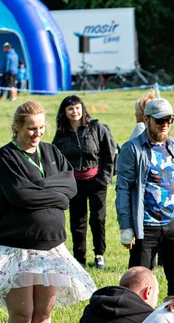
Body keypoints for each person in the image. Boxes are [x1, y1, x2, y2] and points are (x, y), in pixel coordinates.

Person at [0, 100, 96, 323]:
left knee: (44, 313)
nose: (36, 134)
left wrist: (46, 190)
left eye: (40, 128)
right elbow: (20, 196)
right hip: (16, 247)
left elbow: (70, 189)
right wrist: (54, 192)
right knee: (22, 314)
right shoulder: (7, 156)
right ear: (17, 128)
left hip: (52, 246)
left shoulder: (51, 151)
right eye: (30, 129)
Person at [115, 97, 174, 296]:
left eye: (169, 120)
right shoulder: (132, 149)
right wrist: (126, 226)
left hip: (173, 223)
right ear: (146, 119)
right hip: (145, 226)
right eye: (160, 120)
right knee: (137, 285)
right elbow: (123, 188)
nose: (165, 125)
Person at [53, 95, 117, 269]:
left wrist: (104, 177)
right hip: (74, 184)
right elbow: (56, 159)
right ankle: (79, 258)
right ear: (64, 112)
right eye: (70, 109)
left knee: (98, 219)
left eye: (77, 108)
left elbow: (108, 153)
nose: (75, 112)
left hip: (97, 181)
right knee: (77, 222)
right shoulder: (61, 134)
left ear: (83, 109)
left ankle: (99, 255)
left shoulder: (96, 128)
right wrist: (62, 183)